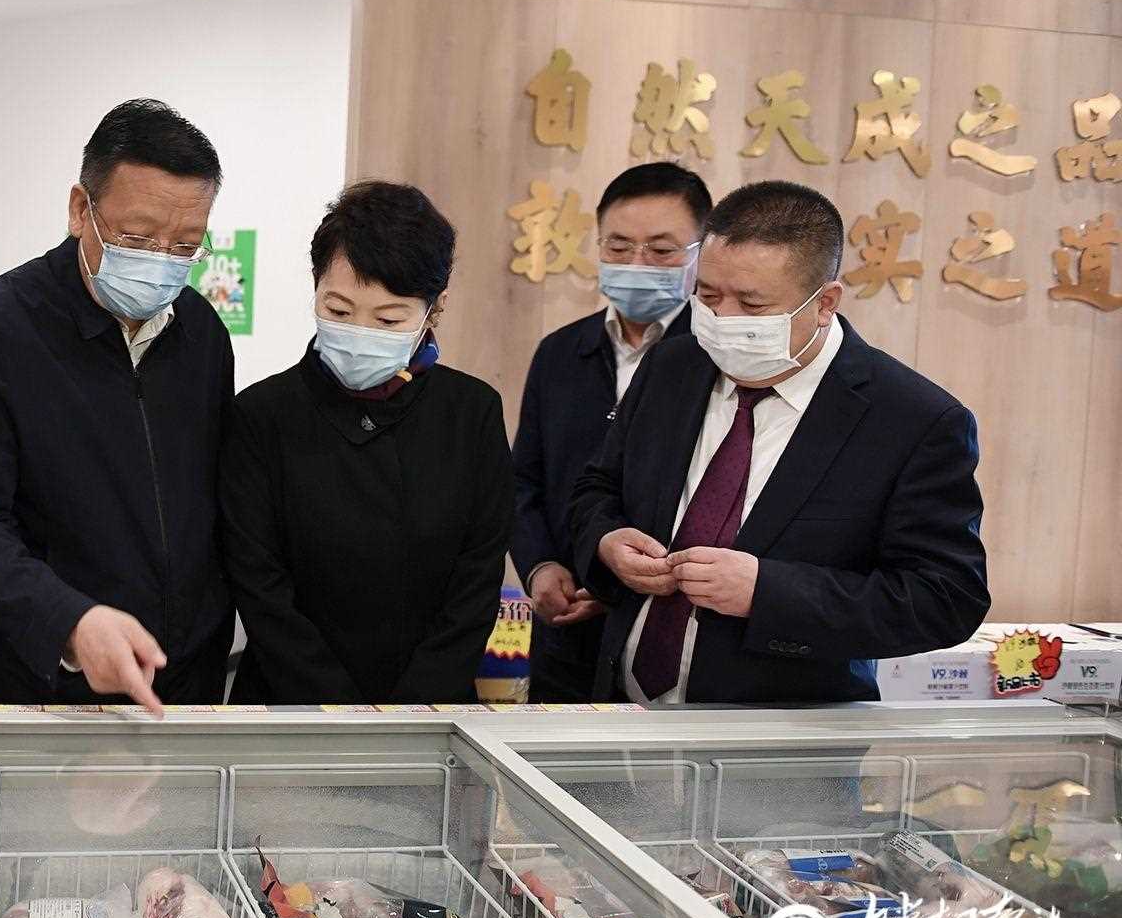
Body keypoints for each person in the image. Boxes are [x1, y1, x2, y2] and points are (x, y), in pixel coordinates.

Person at [567, 180, 990, 704]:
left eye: (752, 304)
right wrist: (607, 541)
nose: (723, 320)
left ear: (824, 303)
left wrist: (767, 592)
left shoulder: (913, 420)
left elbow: (945, 598)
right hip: (623, 710)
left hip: (787, 730)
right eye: (708, 296)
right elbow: (597, 487)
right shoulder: (673, 366)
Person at [0, 99, 234, 714]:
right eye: (137, 237)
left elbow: (209, 503)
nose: (160, 260)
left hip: (181, 683)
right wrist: (70, 621)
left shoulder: (201, 333)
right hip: (37, 688)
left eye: (185, 246)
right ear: (79, 210)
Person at [223, 181, 512, 704]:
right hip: (287, 705)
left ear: (434, 309)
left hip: (429, 710)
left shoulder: (472, 413)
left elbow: (476, 581)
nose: (359, 332)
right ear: (315, 288)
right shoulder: (262, 415)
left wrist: (410, 713)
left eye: (388, 319)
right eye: (338, 310)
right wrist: (339, 713)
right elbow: (260, 585)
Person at [512, 162, 709, 702]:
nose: (637, 263)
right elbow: (524, 480)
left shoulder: (713, 357)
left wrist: (616, 579)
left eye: (662, 250)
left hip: (666, 626)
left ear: (702, 252)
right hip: (563, 632)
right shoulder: (560, 352)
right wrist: (540, 568)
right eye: (618, 246)